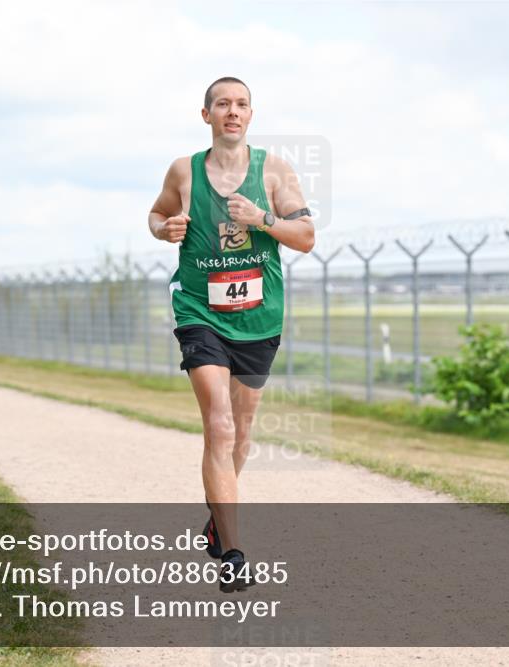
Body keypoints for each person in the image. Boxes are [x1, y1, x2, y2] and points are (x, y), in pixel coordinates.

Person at [148, 77, 314, 592]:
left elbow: (306, 237)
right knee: (218, 427)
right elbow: (156, 215)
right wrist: (165, 229)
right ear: (207, 115)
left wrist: (262, 218)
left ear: (251, 115)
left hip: (259, 317)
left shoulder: (274, 171)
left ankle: (218, 524)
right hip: (199, 310)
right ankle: (235, 554)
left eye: (241, 104)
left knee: (242, 433)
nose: (232, 112)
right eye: (223, 104)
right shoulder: (184, 170)